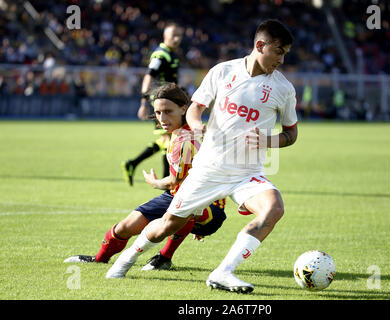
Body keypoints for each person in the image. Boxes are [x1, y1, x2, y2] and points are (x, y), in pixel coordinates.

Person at [106, 19, 298, 294]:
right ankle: (127, 258)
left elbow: (291, 134)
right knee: (167, 227)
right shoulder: (223, 72)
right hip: (208, 169)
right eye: (278, 51)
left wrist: (268, 140)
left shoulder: (283, 89)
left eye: (285, 54)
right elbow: (195, 108)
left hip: (247, 173)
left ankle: (224, 272)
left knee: (274, 208)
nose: (281, 59)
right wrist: (196, 125)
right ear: (260, 45)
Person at [65, 83, 227, 269]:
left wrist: (154, 182)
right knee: (127, 225)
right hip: (180, 196)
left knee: (185, 210)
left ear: (184, 108)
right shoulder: (181, 133)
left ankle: (164, 258)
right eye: (158, 112)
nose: (162, 118)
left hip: (208, 206)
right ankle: (100, 259)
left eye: (168, 111)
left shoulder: (185, 140)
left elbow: (174, 181)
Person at [122, 22, 184, 186]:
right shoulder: (160, 55)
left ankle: (133, 164)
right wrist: (143, 102)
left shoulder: (171, 54)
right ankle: (167, 187)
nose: (177, 39)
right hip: (163, 105)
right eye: (173, 36)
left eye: (179, 36)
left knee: (167, 140)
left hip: (170, 102)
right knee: (170, 140)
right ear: (165, 37)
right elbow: (149, 76)